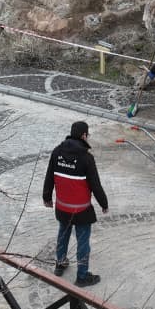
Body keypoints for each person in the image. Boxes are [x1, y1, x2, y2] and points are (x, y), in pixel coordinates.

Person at [42, 120, 109, 288]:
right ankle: (82, 276)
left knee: (63, 234)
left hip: (62, 207)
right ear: (84, 135)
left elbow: (49, 176)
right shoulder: (86, 158)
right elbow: (95, 185)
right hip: (81, 210)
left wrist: (47, 197)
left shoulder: (57, 152)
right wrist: (104, 203)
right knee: (83, 242)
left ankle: (60, 263)